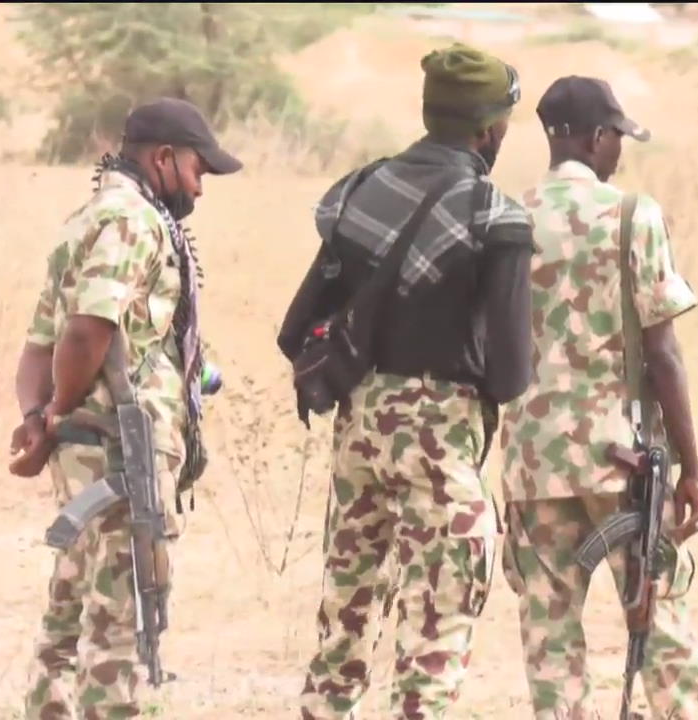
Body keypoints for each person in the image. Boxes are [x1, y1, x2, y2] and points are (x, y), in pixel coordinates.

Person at [288, 42, 535, 719]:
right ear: (490, 130)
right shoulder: (497, 216)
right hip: (440, 441)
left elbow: (301, 323)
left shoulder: (363, 188)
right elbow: (513, 375)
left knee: (345, 619)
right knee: (438, 623)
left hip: (358, 429)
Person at [8, 97, 242, 719]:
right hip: (119, 452)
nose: (200, 186)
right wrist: (55, 414)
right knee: (122, 629)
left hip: (91, 453)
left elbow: (38, 344)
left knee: (68, 619)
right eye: (198, 169)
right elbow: (86, 330)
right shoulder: (134, 220)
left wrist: (38, 419)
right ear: (163, 158)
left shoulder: (87, 216)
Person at [498, 75, 698, 719]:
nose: (619, 150)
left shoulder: (510, 218)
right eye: (617, 137)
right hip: (620, 460)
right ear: (598, 137)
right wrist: (691, 467)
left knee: (548, 629)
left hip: (533, 461)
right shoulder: (631, 215)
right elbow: (663, 353)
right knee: (658, 619)